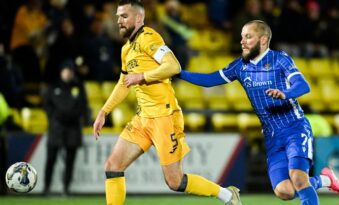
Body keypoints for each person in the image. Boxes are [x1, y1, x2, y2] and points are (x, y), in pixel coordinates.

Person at [178, 20, 339, 205]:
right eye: (242, 37)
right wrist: (178, 73)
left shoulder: (280, 59)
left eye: (248, 37)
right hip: (272, 136)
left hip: (295, 127)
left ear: (263, 40)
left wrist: (286, 93)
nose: (242, 41)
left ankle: (321, 182)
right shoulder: (240, 66)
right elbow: (209, 79)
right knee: (284, 191)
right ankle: (326, 180)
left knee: (299, 178)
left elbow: (303, 85)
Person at [92, 1, 241, 205]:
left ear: (138, 18)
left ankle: (226, 195)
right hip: (143, 118)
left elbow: (173, 66)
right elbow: (123, 82)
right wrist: (104, 111)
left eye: (124, 16)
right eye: (118, 16)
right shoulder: (126, 49)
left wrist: (143, 76)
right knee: (113, 165)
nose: (119, 21)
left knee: (175, 181)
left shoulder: (149, 38)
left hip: (164, 117)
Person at [43, 60, 89, 195]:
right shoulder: (53, 86)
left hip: (73, 127)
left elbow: (83, 105)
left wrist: (75, 116)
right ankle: (46, 188)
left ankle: (66, 189)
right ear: (61, 71)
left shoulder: (78, 86)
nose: (68, 73)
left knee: (70, 160)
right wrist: (53, 117)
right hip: (56, 127)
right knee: (51, 159)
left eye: (70, 71)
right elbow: (47, 104)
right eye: (66, 70)